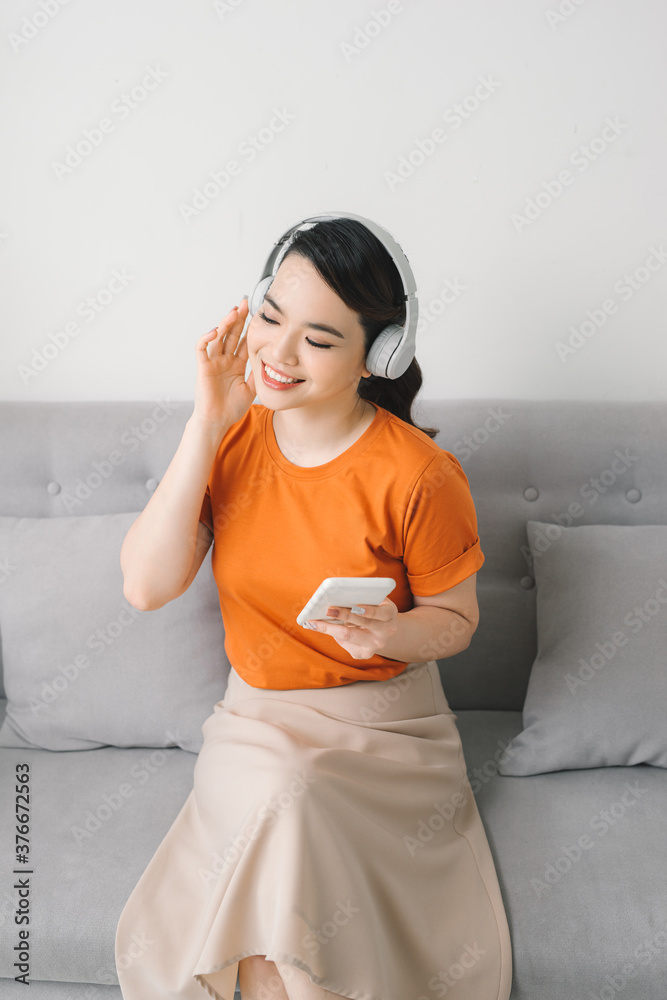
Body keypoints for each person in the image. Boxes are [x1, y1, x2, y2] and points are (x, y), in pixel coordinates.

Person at [114, 216, 513, 1000]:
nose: (279, 354)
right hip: (257, 724)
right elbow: (145, 587)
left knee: (286, 843)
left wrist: (393, 632)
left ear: (379, 354)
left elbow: (457, 621)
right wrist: (207, 420)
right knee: (283, 792)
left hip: (385, 730)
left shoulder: (421, 475)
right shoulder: (231, 438)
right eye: (270, 319)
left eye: (319, 339)